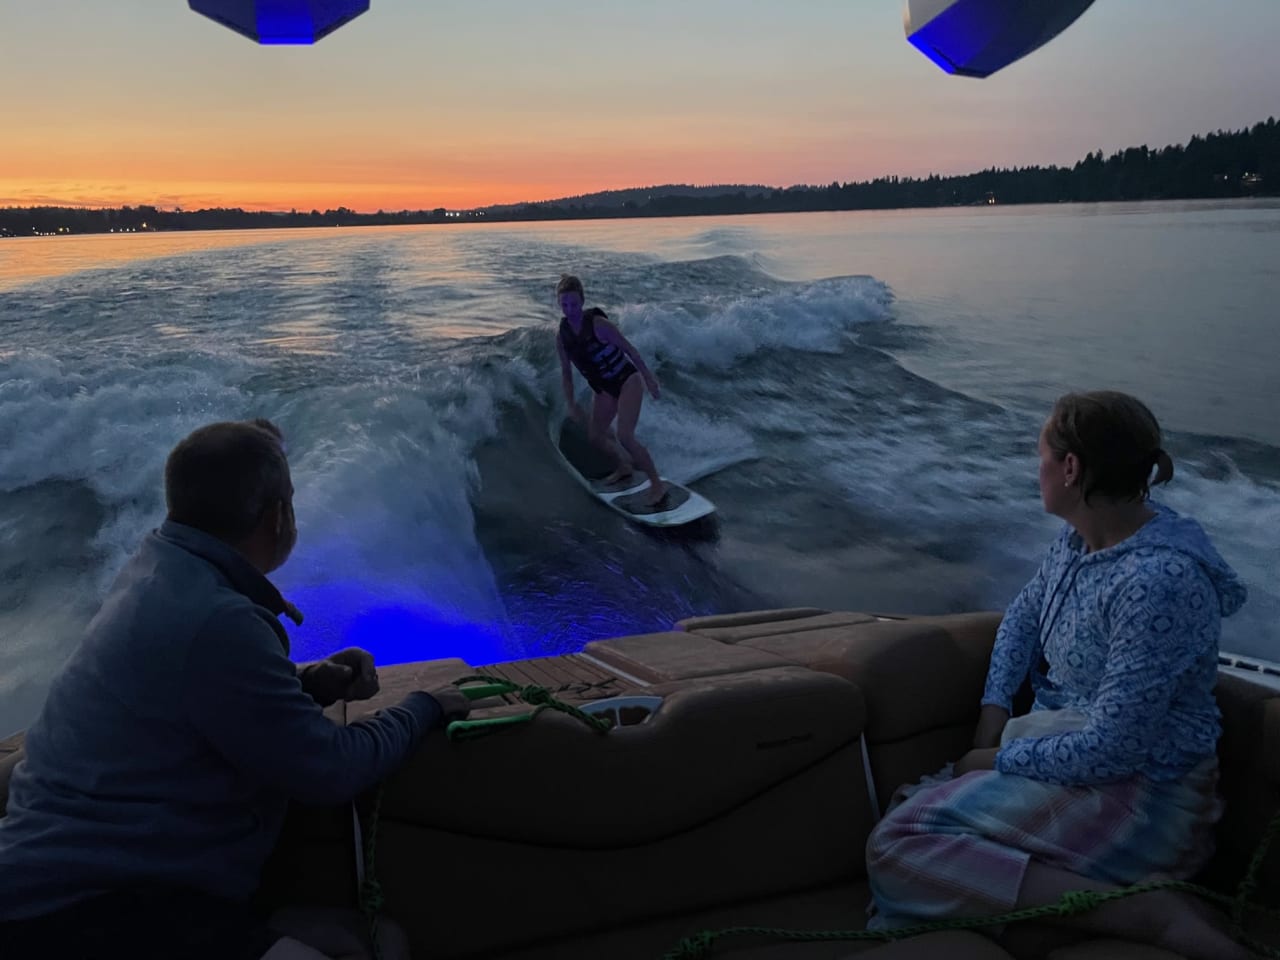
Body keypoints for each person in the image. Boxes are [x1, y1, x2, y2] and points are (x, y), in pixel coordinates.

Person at [0, 418, 472, 960]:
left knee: (375, 941)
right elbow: (331, 770)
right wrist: (424, 707)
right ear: (277, 517)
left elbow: (196, 698)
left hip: (110, 884)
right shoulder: (215, 620)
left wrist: (305, 685)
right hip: (83, 908)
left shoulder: (158, 569)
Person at [865, 391, 1250, 960]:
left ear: (1070, 469)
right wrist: (988, 724)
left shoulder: (1158, 583)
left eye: (1040, 454)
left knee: (900, 846)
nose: (1035, 467)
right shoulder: (1077, 541)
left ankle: (1146, 914)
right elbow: (1022, 621)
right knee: (909, 810)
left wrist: (995, 761)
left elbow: (1115, 749)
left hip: (1142, 796)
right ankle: (1058, 920)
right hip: (1071, 759)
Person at [555, 274, 667, 507]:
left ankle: (657, 484)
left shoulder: (599, 325)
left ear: (582, 302)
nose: (570, 309)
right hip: (604, 388)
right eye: (565, 305)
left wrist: (649, 379)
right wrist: (570, 402)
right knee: (595, 437)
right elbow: (566, 373)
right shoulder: (562, 337)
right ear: (559, 304)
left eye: (574, 304)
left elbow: (630, 350)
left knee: (625, 436)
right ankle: (624, 466)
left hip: (627, 380)